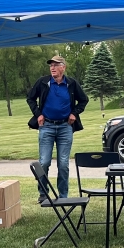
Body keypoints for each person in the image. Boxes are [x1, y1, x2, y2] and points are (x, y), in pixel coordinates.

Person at [26, 54, 88, 199]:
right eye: (51, 65)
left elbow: (84, 100)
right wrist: (38, 114)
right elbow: (30, 98)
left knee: (63, 164)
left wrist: (74, 113)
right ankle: (43, 193)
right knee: (44, 162)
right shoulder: (43, 82)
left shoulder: (71, 83)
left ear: (63, 67)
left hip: (65, 127)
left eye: (56, 65)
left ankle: (63, 195)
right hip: (46, 126)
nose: (52, 68)